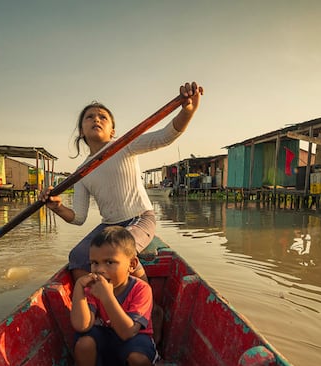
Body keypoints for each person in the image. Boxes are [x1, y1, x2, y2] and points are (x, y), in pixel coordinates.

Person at [41, 81, 202, 345]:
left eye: (103, 116)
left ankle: (149, 310)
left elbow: (166, 136)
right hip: (110, 224)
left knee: (119, 250)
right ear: (81, 131)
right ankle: (99, 308)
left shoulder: (124, 145)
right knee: (77, 256)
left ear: (112, 129)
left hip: (140, 217)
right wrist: (57, 206)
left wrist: (188, 110)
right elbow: (78, 217)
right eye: (90, 117)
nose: (96, 119)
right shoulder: (82, 172)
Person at [69, 226, 160, 366]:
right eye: (94, 263)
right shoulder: (93, 289)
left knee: (139, 358)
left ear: (131, 264)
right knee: (83, 343)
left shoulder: (141, 289)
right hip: (107, 340)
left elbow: (128, 332)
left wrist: (108, 297)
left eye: (109, 262)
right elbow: (81, 325)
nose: (99, 269)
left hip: (134, 339)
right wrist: (79, 289)